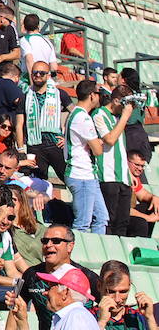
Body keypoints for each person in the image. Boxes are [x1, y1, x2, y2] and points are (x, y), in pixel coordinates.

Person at [66, 80, 130, 234]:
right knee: (82, 222)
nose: (100, 98)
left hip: (87, 174)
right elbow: (98, 150)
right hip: (80, 174)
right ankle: (76, 254)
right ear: (91, 95)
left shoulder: (76, 113)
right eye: (98, 94)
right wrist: (99, 142)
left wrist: (98, 142)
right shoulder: (83, 117)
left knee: (102, 218)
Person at [95, 86, 138, 235]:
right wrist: (125, 117)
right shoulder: (99, 114)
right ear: (116, 100)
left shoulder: (119, 118)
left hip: (123, 177)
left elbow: (120, 146)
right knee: (110, 220)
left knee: (123, 221)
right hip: (108, 176)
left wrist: (128, 171)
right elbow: (110, 139)